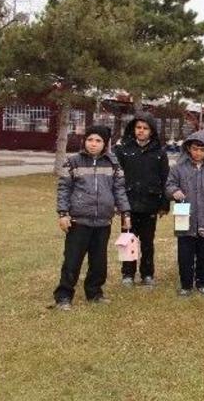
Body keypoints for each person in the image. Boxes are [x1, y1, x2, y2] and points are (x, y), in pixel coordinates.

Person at [54, 126, 131, 310]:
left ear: (105, 144)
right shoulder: (73, 162)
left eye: (98, 141)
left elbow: (119, 189)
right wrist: (63, 213)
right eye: (90, 140)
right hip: (79, 222)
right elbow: (64, 189)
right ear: (84, 141)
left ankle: (95, 292)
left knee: (99, 262)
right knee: (72, 260)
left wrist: (125, 212)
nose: (93, 144)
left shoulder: (113, 163)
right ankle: (64, 296)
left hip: (103, 222)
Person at [165, 130, 204, 296]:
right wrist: (174, 191)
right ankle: (186, 285)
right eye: (194, 149)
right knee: (185, 254)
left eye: (202, 149)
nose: (198, 153)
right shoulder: (179, 168)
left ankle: (202, 283)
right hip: (186, 218)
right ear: (188, 149)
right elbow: (169, 185)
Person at [114, 112, 169, 288]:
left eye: (145, 128)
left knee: (147, 242)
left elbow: (165, 179)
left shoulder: (159, 152)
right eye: (138, 127)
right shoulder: (123, 150)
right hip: (128, 204)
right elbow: (117, 178)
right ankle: (128, 273)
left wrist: (164, 204)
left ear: (152, 131)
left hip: (150, 204)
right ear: (133, 129)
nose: (141, 131)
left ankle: (147, 274)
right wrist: (118, 203)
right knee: (128, 239)